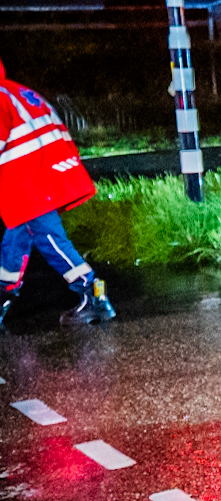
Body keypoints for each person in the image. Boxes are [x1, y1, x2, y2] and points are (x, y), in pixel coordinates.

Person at [1, 56, 115, 327]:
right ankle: (3, 294)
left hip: (27, 180)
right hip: (43, 174)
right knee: (16, 239)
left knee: (48, 237)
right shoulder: (17, 92)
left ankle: (92, 293)